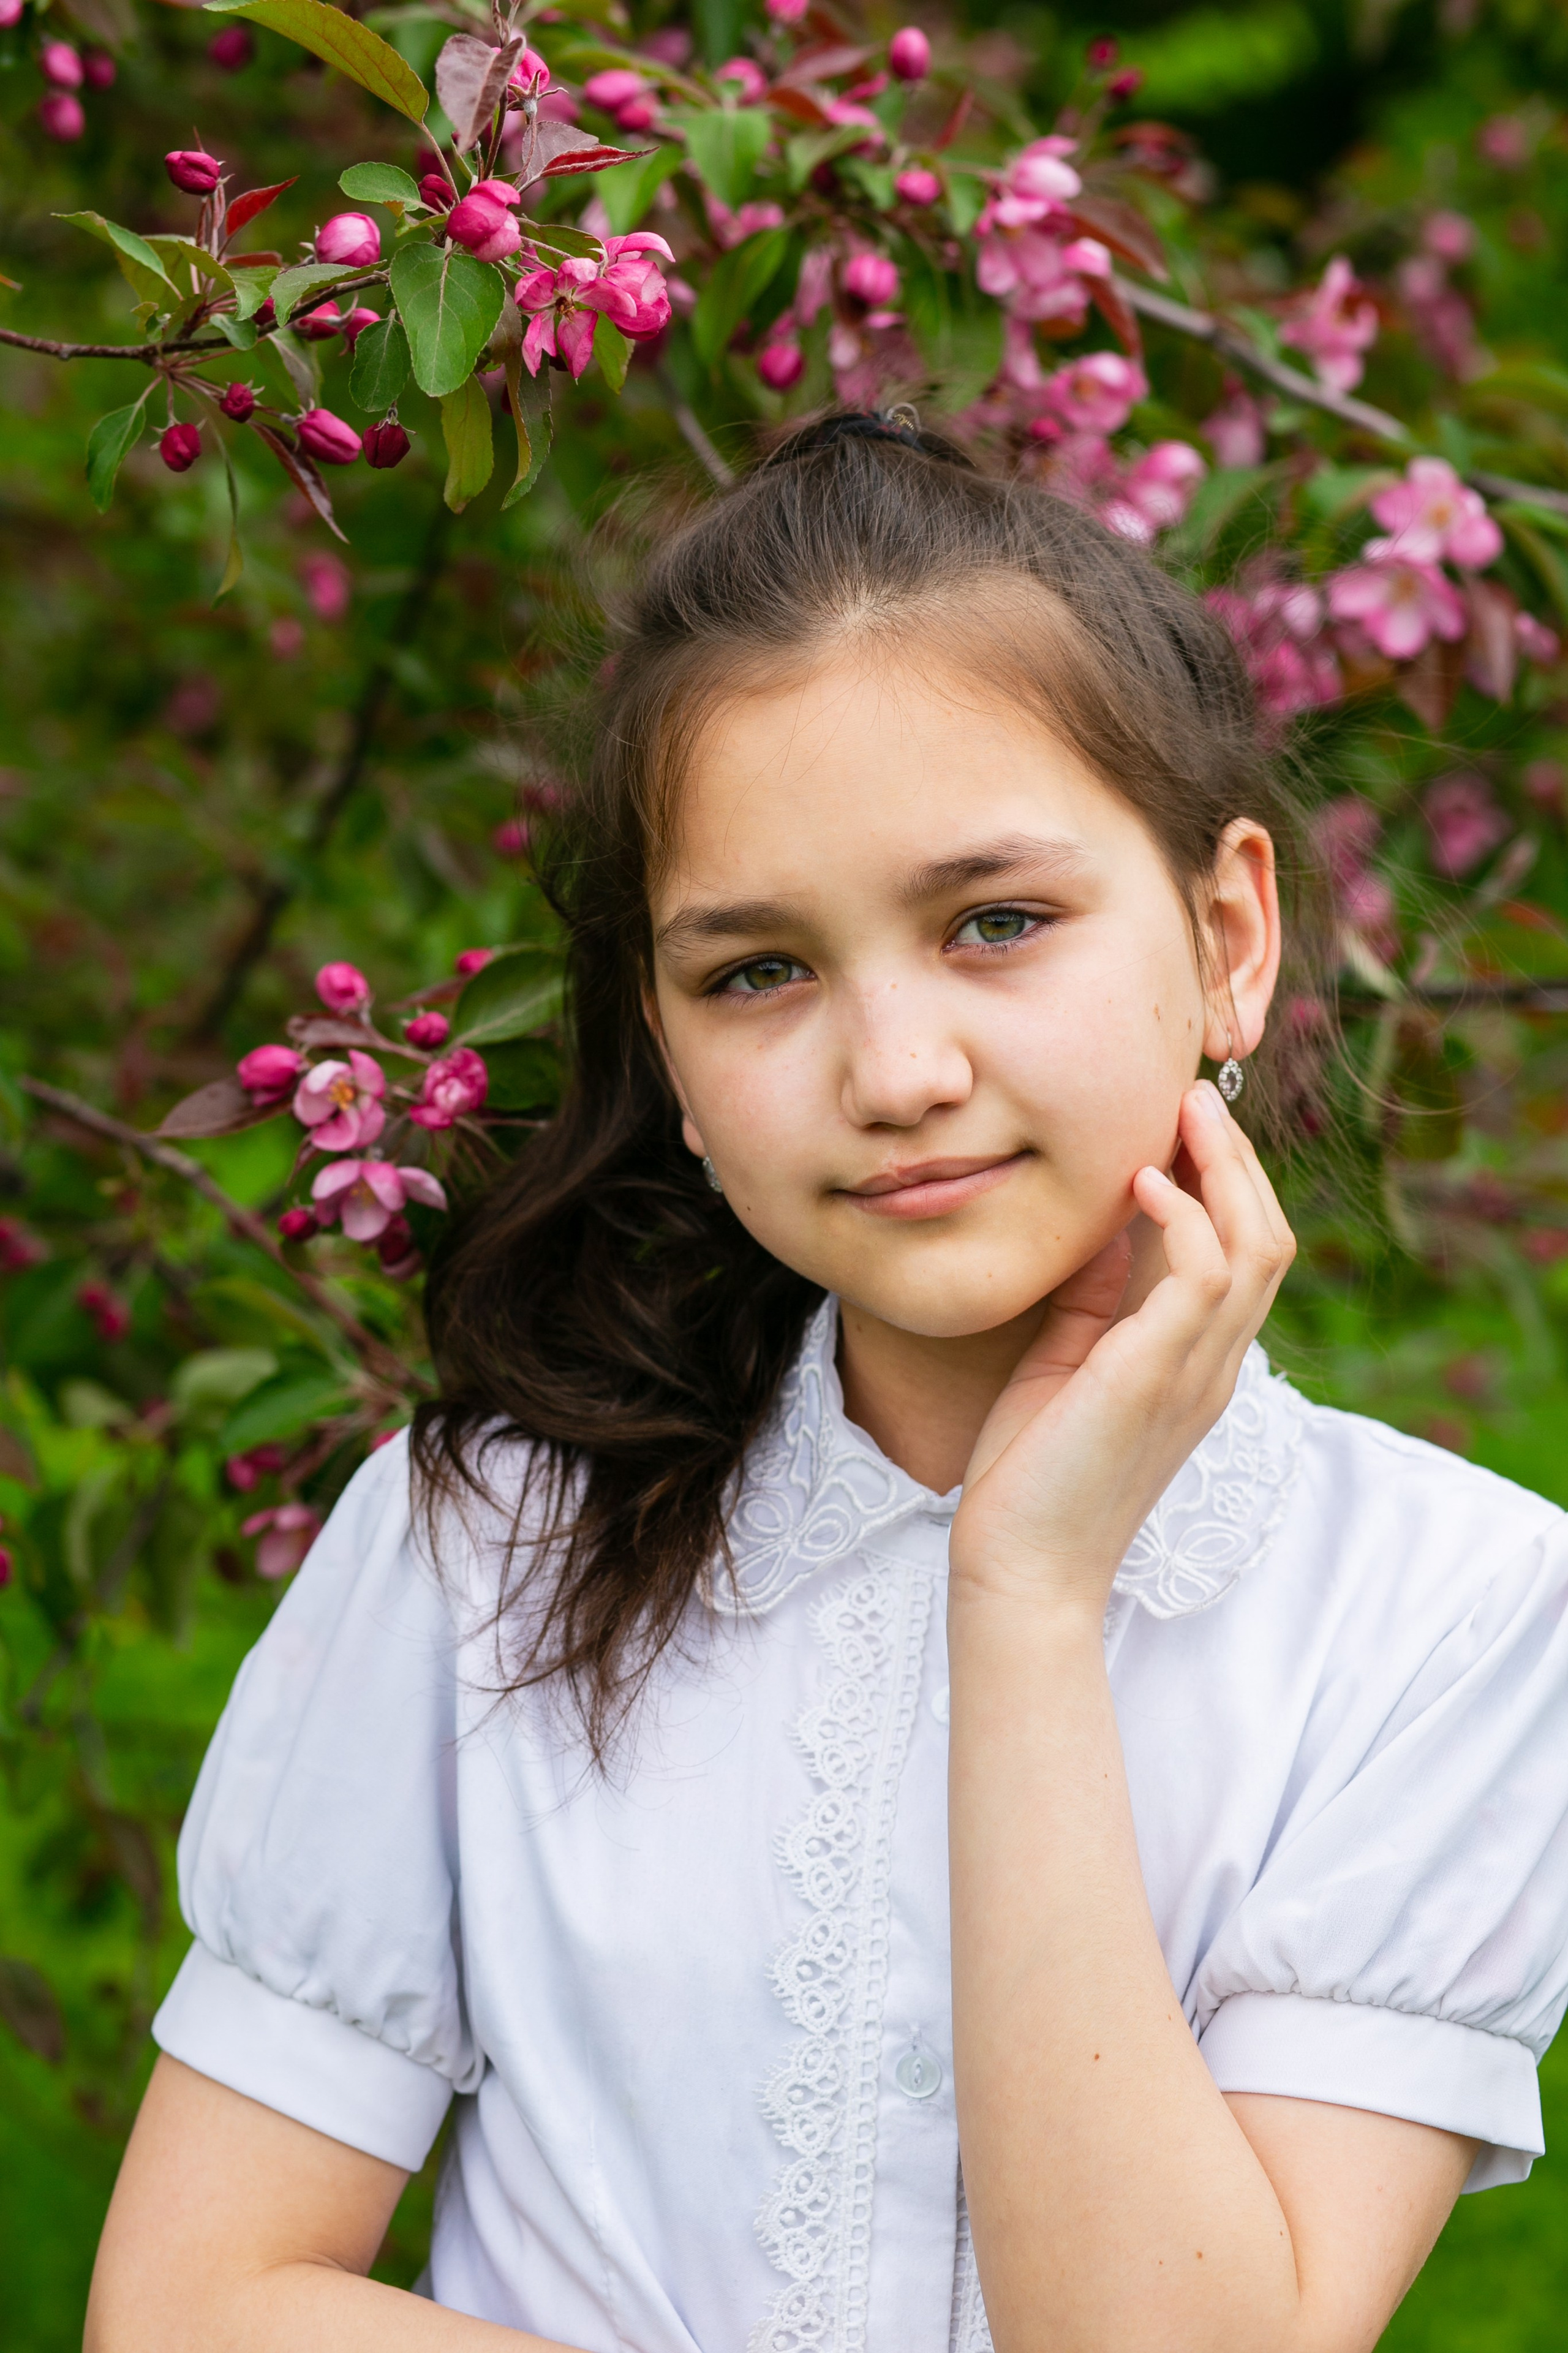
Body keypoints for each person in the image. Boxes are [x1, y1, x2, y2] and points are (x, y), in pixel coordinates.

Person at [87, 412, 1568, 2353]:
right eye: (758, 972)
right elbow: (192, 2301)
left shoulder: (1457, 1612)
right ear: (673, 1058)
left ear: (1227, 939)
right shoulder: (484, 1552)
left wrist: (1026, 1602)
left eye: (998, 923)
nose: (894, 1067)